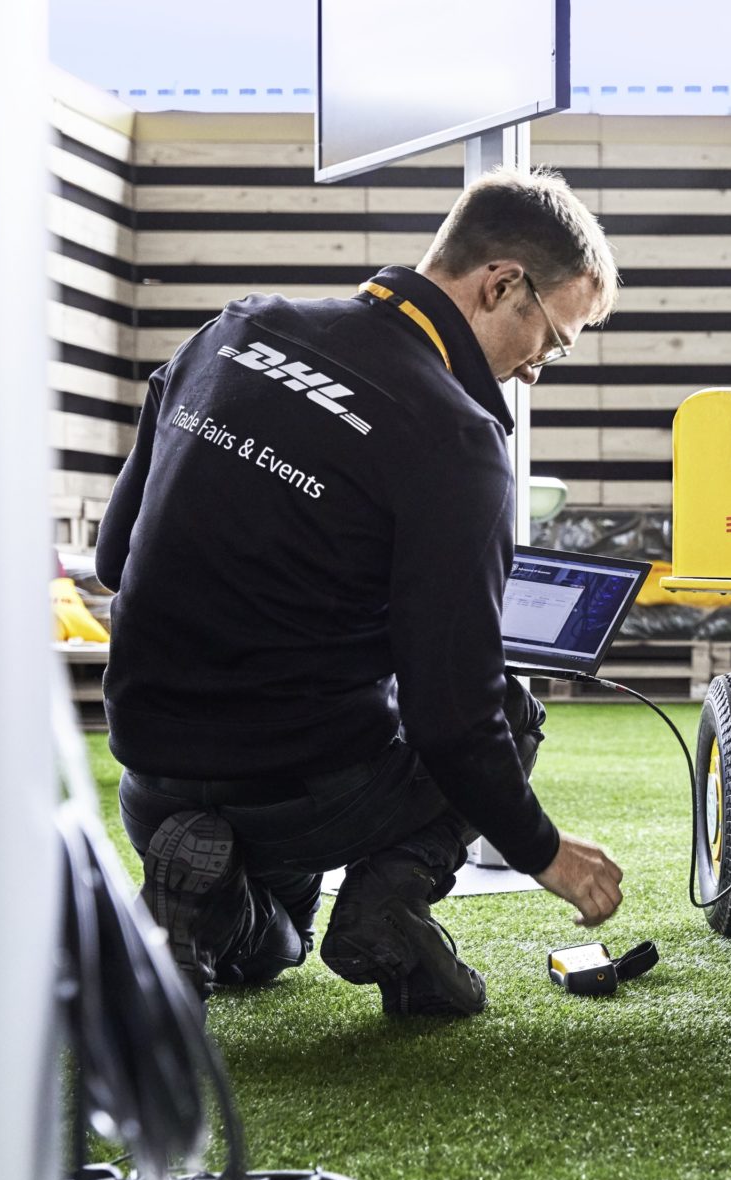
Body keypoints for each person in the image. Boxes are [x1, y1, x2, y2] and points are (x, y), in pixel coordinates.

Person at [96, 167, 625, 1018]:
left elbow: (117, 558)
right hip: (301, 790)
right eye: (552, 339)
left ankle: (210, 889)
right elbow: (458, 716)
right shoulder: (458, 439)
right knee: (512, 710)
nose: (536, 370)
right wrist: (546, 853)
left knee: (275, 936)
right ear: (500, 285)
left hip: (150, 774)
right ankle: (387, 900)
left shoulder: (238, 327)